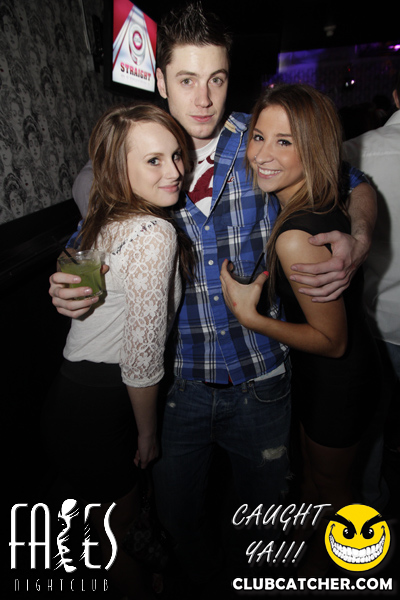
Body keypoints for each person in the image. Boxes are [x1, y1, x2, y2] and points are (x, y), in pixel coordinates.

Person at [48, 1, 377, 587]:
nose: (203, 99)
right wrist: (66, 280)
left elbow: (355, 181)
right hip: (179, 387)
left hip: (262, 379)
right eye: (187, 80)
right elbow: (87, 241)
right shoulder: (138, 156)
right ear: (160, 81)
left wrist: (359, 234)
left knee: (266, 527)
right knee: (179, 523)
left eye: (217, 79)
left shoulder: (263, 142)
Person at [220, 83, 382, 575]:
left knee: (335, 493)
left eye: (284, 142)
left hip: (338, 380)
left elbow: (332, 342)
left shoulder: (296, 235)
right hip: (325, 375)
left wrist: (252, 317)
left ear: (312, 148)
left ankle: (349, 572)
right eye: (258, 136)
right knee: (314, 485)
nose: (262, 155)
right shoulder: (315, 197)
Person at [41, 102, 194, 599]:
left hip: (73, 395)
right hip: (105, 403)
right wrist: (148, 433)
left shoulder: (105, 219)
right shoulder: (155, 232)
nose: (174, 171)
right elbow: (142, 358)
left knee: (105, 524)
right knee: (119, 528)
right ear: (118, 169)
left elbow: (85, 285)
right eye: (154, 160)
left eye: (176, 155)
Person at [342, 71, 400, 504]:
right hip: (376, 324)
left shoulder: (356, 151)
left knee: (370, 431)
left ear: (396, 96)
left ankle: (369, 517)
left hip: (379, 321)